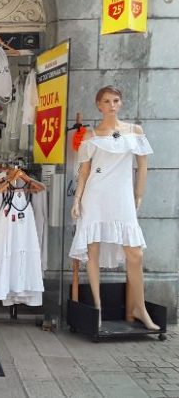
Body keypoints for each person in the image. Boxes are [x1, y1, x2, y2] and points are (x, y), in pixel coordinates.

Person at [69, 86, 158, 330]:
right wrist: (77, 199)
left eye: (116, 100)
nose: (112, 105)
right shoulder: (90, 135)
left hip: (123, 197)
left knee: (135, 254)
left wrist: (139, 194)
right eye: (106, 101)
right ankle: (97, 308)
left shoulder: (134, 131)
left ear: (121, 102)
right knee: (93, 251)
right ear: (98, 105)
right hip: (95, 196)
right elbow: (84, 172)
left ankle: (139, 307)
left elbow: (143, 165)